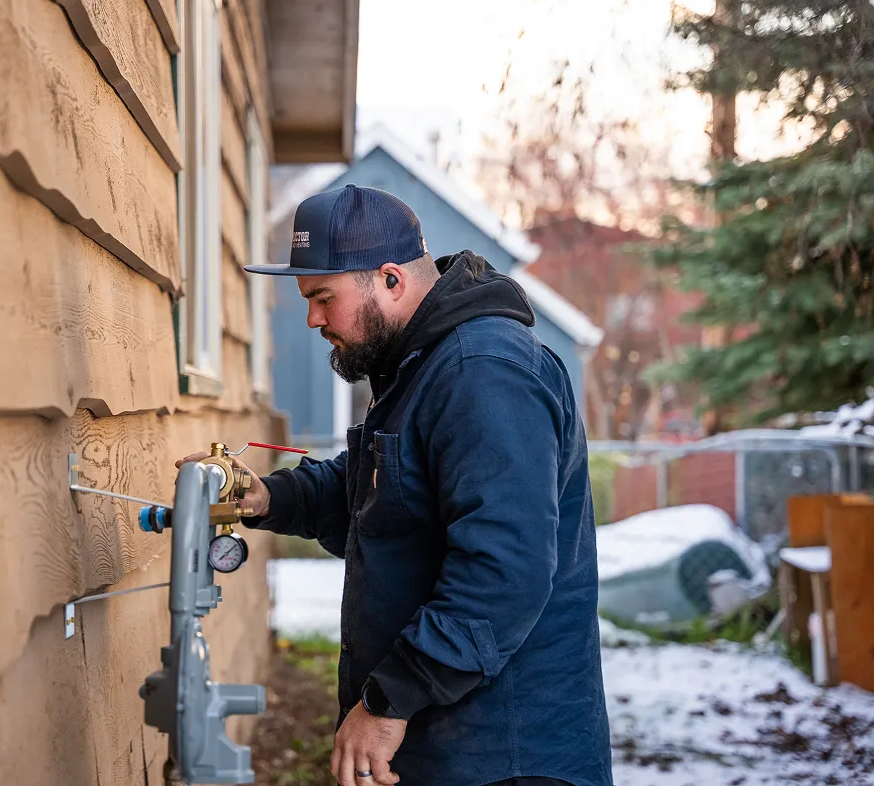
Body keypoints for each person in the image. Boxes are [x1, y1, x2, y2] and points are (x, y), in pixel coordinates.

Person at [177, 185, 612, 786]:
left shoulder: (483, 373)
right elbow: (389, 496)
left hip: (504, 753)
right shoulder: (422, 367)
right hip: (447, 746)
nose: (313, 319)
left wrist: (390, 701)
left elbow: (503, 571)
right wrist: (269, 496)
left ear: (390, 279)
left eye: (323, 297)